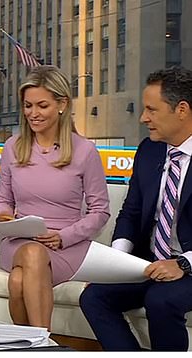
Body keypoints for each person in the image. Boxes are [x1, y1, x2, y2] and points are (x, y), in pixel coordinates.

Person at [80, 67, 192, 351]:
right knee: (94, 297)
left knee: (161, 300)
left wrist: (182, 264)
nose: (143, 118)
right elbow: (131, 212)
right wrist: (114, 263)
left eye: (151, 110)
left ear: (182, 109)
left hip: (188, 266)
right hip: (150, 262)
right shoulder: (149, 150)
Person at [0, 65, 110, 330]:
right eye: (28, 105)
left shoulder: (85, 151)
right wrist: (3, 215)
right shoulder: (13, 146)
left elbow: (100, 211)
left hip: (66, 246)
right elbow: (3, 199)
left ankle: (30, 346)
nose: (33, 114)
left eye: (42, 106)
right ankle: (43, 346)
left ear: (62, 104)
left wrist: (64, 236)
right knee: (31, 252)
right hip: (18, 242)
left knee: (18, 281)